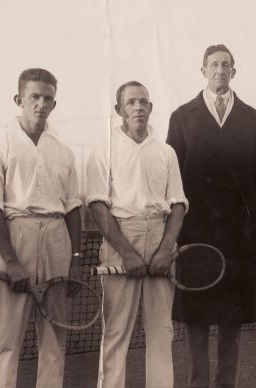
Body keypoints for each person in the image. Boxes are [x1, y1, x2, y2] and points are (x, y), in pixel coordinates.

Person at [167, 44, 256, 388]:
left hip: (239, 232)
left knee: (231, 317)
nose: (220, 69)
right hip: (195, 230)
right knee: (195, 317)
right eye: (214, 64)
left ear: (234, 72)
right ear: (203, 71)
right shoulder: (181, 117)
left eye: (226, 64)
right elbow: (173, 174)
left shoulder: (253, 119)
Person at [0, 68, 82, 388]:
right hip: (14, 236)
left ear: (54, 103)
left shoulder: (63, 150)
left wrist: (75, 259)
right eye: (34, 96)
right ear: (18, 99)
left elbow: (73, 207)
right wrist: (11, 261)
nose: (41, 103)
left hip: (56, 240)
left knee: (55, 340)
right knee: (5, 340)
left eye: (48, 98)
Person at [86, 81, 187, 388]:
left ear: (151, 108)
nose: (138, 107)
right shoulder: (104, 150)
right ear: (119, 110)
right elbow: (97, 206)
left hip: (160, 239)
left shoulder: (166, 152)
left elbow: (178, 205)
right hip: (120, 239)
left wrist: (164, 248)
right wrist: (127, 253)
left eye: (143, 101)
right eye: (131, 103)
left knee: (161, 331)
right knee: (116, 332)